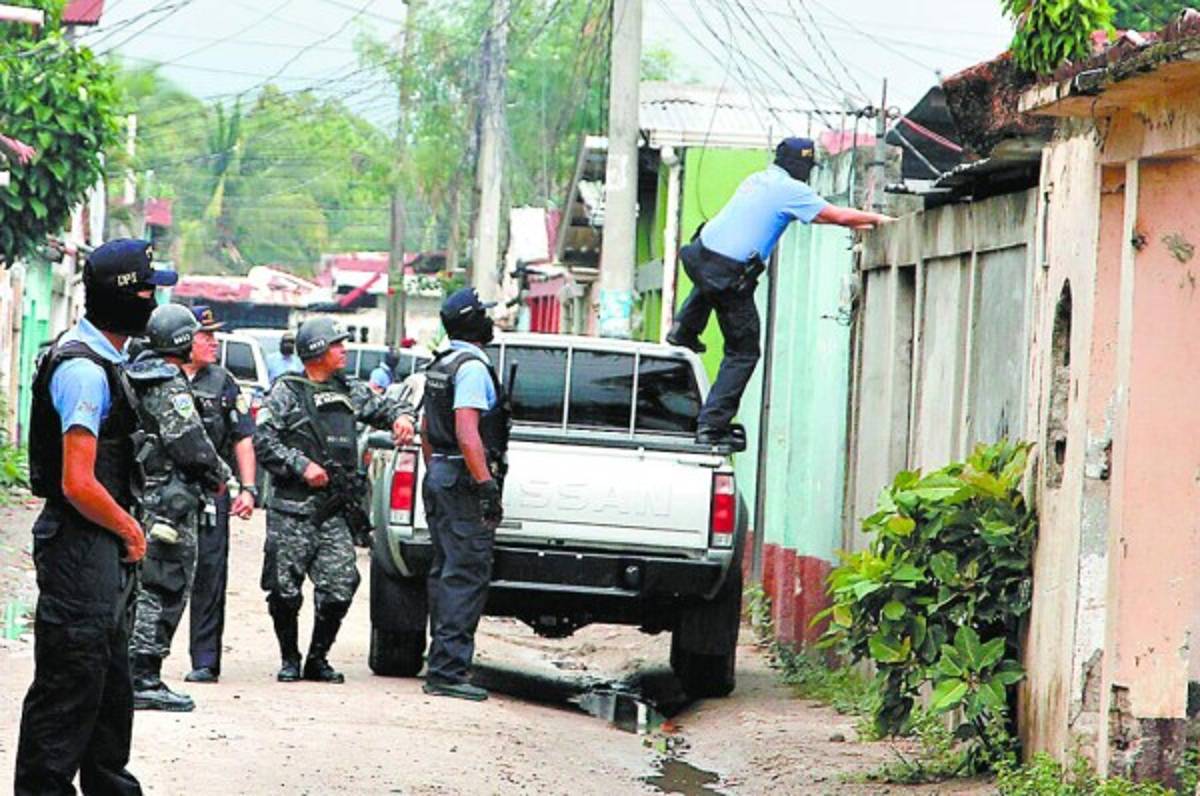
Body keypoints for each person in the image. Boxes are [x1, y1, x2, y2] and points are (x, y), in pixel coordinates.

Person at [15, 238, 176, 795]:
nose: (156, 302)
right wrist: (130, 529)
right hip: (79, 546)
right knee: (69, 690)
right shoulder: (83, 370)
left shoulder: (108, 360)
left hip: (97, 548)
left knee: (109, 691)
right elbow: (77, 482)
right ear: (125, 296)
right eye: (150, 291)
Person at [667, 137, 894, 446]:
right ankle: (712, 426)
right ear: (801, 166)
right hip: (728, 276)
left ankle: (683, 330)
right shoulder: (791, 189)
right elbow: (837, 216)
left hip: (698, 254)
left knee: (710, 280)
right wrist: (879, 219)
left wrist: (859, 222)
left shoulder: (758, 179)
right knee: (744, 352)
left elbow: (819, 217)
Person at [254, 317, 416, 683]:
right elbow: (263, 440)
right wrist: (301, 466)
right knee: (283, 588)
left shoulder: (349, 390)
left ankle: (318, 658)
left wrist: (402, 418)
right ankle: (290, 658)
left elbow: (386, 408)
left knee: (341, 584)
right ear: (316, 351)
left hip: (334, 510)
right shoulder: (286, 392)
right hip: (292, 509)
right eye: (336, 345)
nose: (343, 350)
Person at [125, 304, 232, 712]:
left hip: (143, 495)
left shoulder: (137, 373)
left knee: (147, 582)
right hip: (169, 503)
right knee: (164, 583)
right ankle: (143, 676)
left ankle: (134, 672)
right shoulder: (168, 382)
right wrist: (220, 474)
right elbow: (189, 442)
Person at [421, 288, 510, 702]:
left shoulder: (442, 363)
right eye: (485, 315)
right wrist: (485, 485)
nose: (491, 322)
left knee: (444, 570)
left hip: (442, 473)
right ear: (473, 322)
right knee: (465, 574)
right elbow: (467, 431)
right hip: (461, 478)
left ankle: (440, 660)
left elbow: (426, 428)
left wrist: (437, 471)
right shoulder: (472, 368)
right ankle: (448, 671)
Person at [181, 305, 257, 685]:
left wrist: (249, 488)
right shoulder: (157, 376)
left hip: (212, 491)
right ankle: (141, 654)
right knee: (153, 572)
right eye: (205, 336)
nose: (213, 342)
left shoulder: (223, 382)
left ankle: (206, 660)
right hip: (163, 493)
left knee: (210, 574)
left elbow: (243, 437)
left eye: (214, 335)